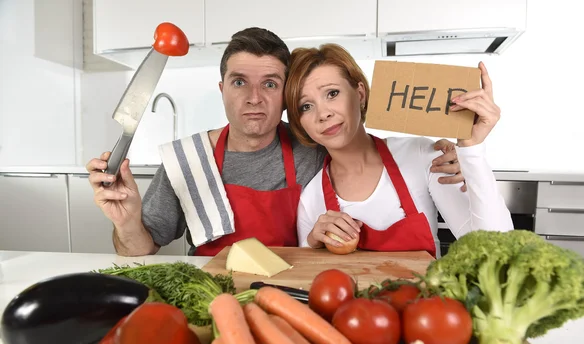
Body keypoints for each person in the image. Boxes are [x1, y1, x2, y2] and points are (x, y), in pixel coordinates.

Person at [85, 28, 466, 257]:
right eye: (239, 83)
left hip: (294, 298)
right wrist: (126, 221)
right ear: (222, 90)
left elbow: (363, 143)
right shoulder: (187, 161)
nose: (254, 97)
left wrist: (447, 152)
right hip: (211, 300)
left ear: (286, 93)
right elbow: (139, 250)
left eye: (269, 83)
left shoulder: (314, 145)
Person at [285, 44, 513, 258]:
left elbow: (495, 249)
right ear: (300, 122)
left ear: (360, 94)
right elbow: (308, 286)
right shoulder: (310, 200)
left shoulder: (423, 155)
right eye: (306, 106)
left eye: (332, 93)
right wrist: (312, 245)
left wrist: (471, 149)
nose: (323, 114)